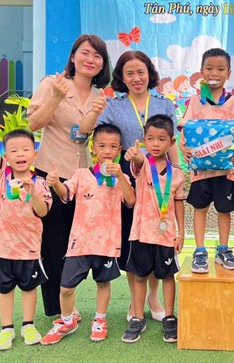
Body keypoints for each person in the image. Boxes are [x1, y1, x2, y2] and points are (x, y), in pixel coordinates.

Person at [80, 50, 177, 321]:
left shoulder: (165, 104)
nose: (136, 78)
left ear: (149, 73)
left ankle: (153, 296)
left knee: (156, 236)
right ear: (121, 77)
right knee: (133, 241)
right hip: (126, 179)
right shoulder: (113, 106)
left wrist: (176, 172)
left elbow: (172, 143)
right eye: (130, 73)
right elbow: (90, 133)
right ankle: (136, 302)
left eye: (141, 72)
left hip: (159, 180)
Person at [28, 34, 111, 319]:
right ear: (73, 56)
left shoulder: (100, 96)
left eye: (97, 56)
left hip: (82, 177)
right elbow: (34, 123)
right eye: (85, 53)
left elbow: (85, 133)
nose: (91, 60)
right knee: (52, 242)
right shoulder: (52, 84)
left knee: (76, 241)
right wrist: (56, 97)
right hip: (51, 173)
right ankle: (58, 309)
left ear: (102, 65)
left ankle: (69, 299)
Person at [40, 123, 136, 345]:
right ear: (93, 148)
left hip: (107, 243)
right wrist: (55, 183)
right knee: (66, 287)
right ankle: (67, 321)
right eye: (102, 146)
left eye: (112, 146)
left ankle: (100, 320)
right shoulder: (81, 174)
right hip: (80, 243)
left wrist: (121, 177)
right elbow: (66, 194)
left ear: (119, 149)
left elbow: (131, 201)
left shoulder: (121, 177)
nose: (107, 151)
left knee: (103, 283)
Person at [0, 105, 52, 351]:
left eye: (25, 149)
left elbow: (43, 211)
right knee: (4, 289)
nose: (20, 154)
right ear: (6, 156)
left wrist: (33, 192)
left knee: (29, 287)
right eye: (13, 150)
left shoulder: (41, 183)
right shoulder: (1, 176)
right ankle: (7, 328)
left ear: (34, 154)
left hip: (29, 248)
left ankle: (28, 325)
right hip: (3, 248)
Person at [122, 114, 186, 343]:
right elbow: (138, 160)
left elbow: (179, 204)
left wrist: (181, 233)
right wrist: (135, 155)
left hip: (166, 236)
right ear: (144, 140)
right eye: (150, 139)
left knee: (168, 277)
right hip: (141, 234)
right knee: (139, 277)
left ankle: (169, 317)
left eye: (161, 139)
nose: (155, 144)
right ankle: (138, 317)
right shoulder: (142, 166)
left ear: (171, 142)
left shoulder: (177, 173)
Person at [179, 48, 234, 273]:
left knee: (224, 209)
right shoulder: (195, 100)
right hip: (201, 170)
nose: (214, 73)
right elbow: (184, 129)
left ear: (228, 73)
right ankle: (200, 250)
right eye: (209, 68)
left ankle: (223, 249)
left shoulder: (233, 102)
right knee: (200, 208)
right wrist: (183, 147)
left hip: (226, 170)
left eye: (220, 69)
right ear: (201, 71)